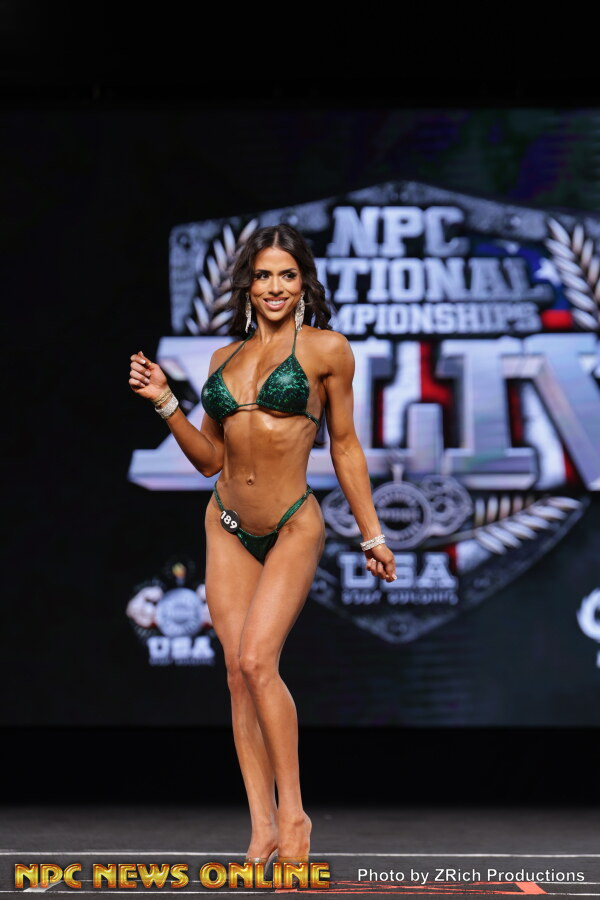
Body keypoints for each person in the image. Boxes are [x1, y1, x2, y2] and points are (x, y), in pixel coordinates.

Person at [129, 223, 396, 870]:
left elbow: (345, 446)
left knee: (256, 661)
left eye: (287, 275)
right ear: (248, 285)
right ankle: (262, 826)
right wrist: (165, 402)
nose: (275, 287)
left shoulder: (327, 349)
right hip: (225, 522)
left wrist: (373, 533)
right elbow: (209, 460)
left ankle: (295, 812)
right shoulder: (222, 359)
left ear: (303, 284)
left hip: (292, 523)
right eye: (264, 275)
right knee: (234, 673)